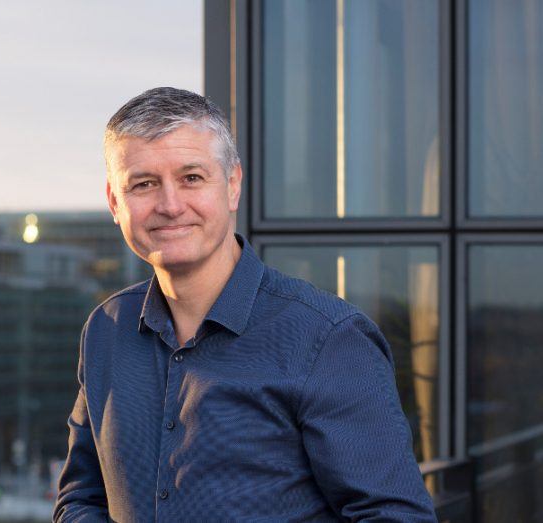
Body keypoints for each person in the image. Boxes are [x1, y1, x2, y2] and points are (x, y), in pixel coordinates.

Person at [53, 87, 436, 522]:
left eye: (191, 178)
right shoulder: (106, 329)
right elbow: (81, 499)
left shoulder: (328, 338)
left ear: (232, 185)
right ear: (114, 203)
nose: (170, 205)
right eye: (143, 184)